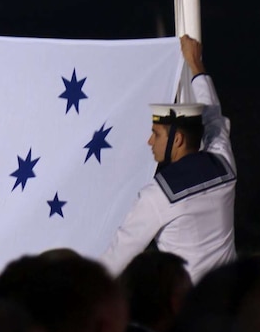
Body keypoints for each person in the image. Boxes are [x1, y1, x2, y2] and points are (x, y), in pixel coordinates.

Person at [100, 35, 237, 283]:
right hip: (232, 303)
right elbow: (214, 119)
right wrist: (196, 65)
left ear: (177, 140)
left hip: (192, 311)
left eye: (156, 134)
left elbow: (116, 258)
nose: (149, 141)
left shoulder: (158, 195)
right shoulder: (225, 166)